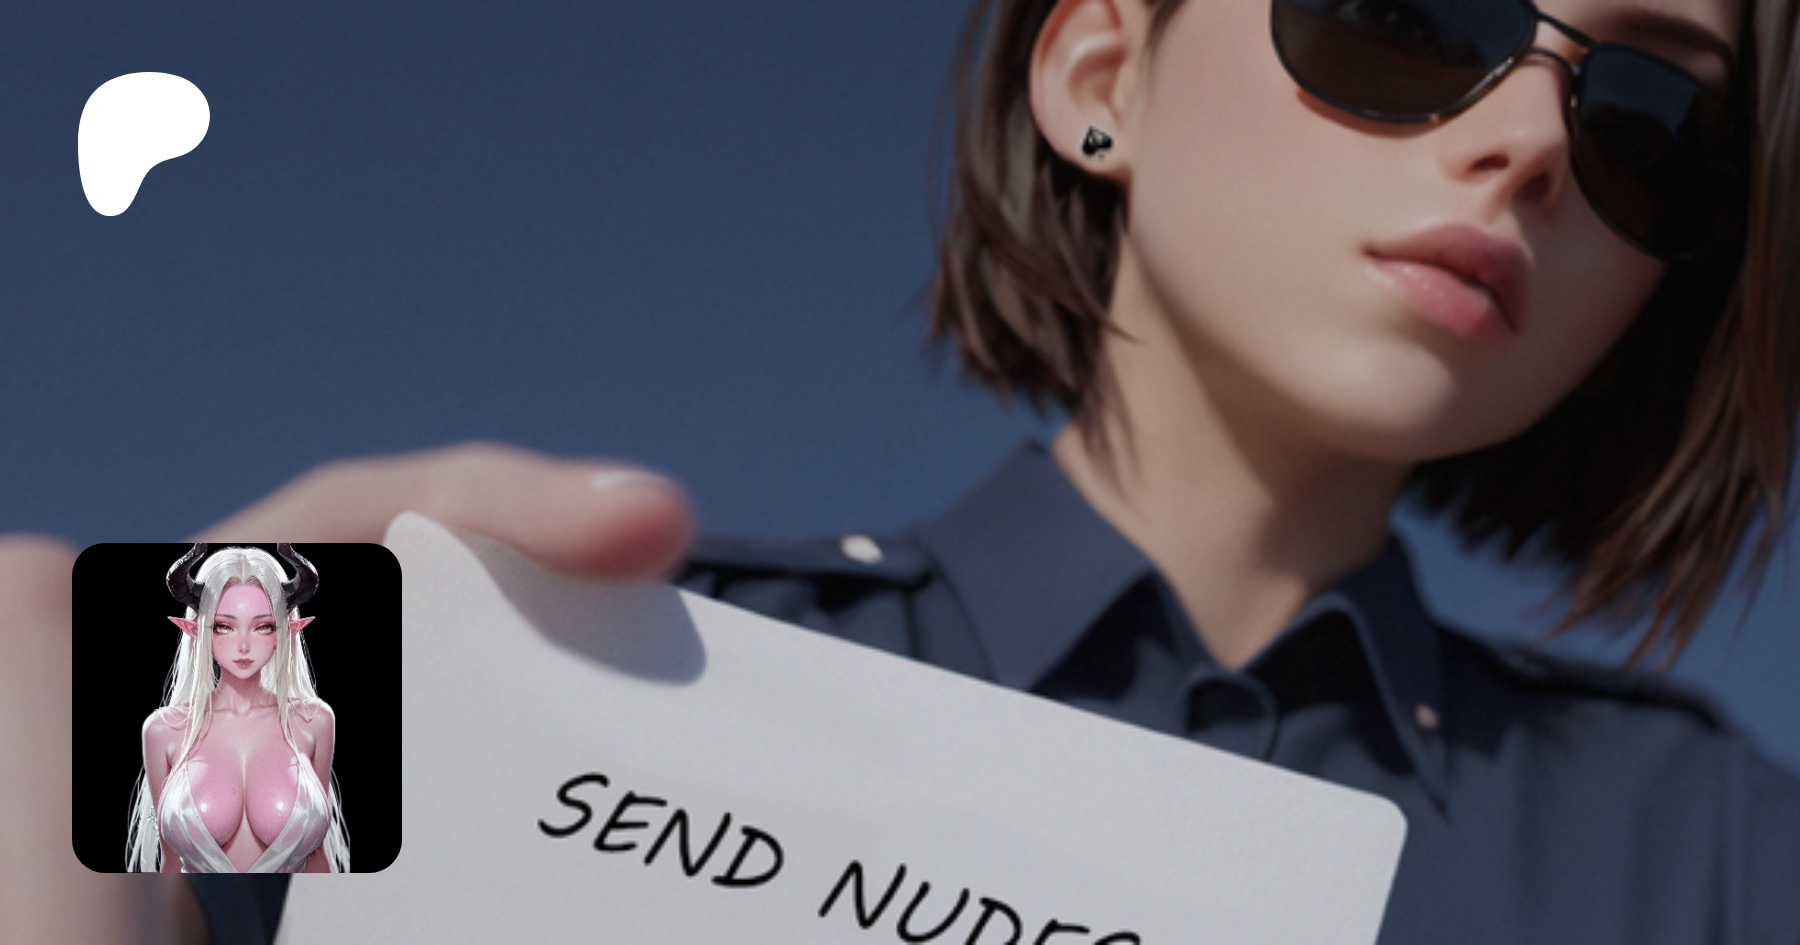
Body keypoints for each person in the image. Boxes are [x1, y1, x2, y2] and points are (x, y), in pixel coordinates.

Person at [3, 0, 1796, 939]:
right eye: (1407, 8)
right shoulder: (539, 687)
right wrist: (76, 794)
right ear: (1100, 70)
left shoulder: (1711, 863)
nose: (1527, 140)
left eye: (1650, 116)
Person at [129, 544, 350, 875]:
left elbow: (318, 857)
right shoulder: (163, 730)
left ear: (288, 630)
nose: (243, 645)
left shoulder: (314, 721)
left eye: (263, 626)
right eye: (223, 626)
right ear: (194, 630)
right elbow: (170, 862)